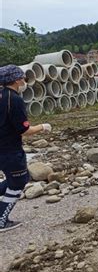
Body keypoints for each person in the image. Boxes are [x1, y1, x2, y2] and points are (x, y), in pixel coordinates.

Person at [0, 65, 52, 232]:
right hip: (9, 149)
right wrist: (43, 127)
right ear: (16, 80)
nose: (24, 80)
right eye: (23, 77)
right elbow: (24, 130)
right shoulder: (14, 99)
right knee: (18, 182)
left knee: (18, 177)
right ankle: (1, 221)